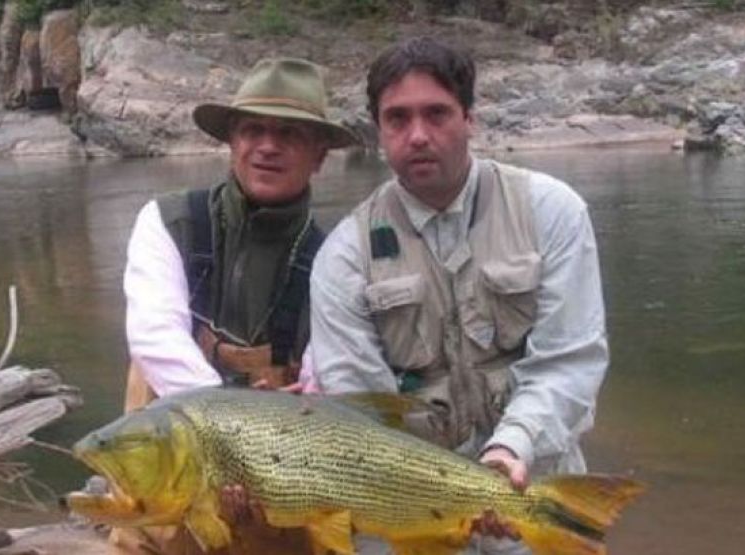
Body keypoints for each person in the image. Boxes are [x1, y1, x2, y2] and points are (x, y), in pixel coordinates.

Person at [310, 37, 609, 554]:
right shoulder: (343, 257)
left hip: (532, 479)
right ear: (378, 132)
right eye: (398, 119)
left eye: (437, 114)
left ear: (469, 118)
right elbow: (360, 413)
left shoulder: (552, 211)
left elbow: (569, 362)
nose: (419, 135)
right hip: (406, 510)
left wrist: (510, 449)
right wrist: (445, 497)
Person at [115, 57, 358, 555]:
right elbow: (154, 336)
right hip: (171, 482)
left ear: (319, 156)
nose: (267, 146)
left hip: (280, 479)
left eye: (289, 134)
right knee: (144, 365)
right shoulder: (166, 221)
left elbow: (328, 373)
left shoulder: (339, 260)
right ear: (231, 143)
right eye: (253, 130)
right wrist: (239, 429)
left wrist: (294, 411)